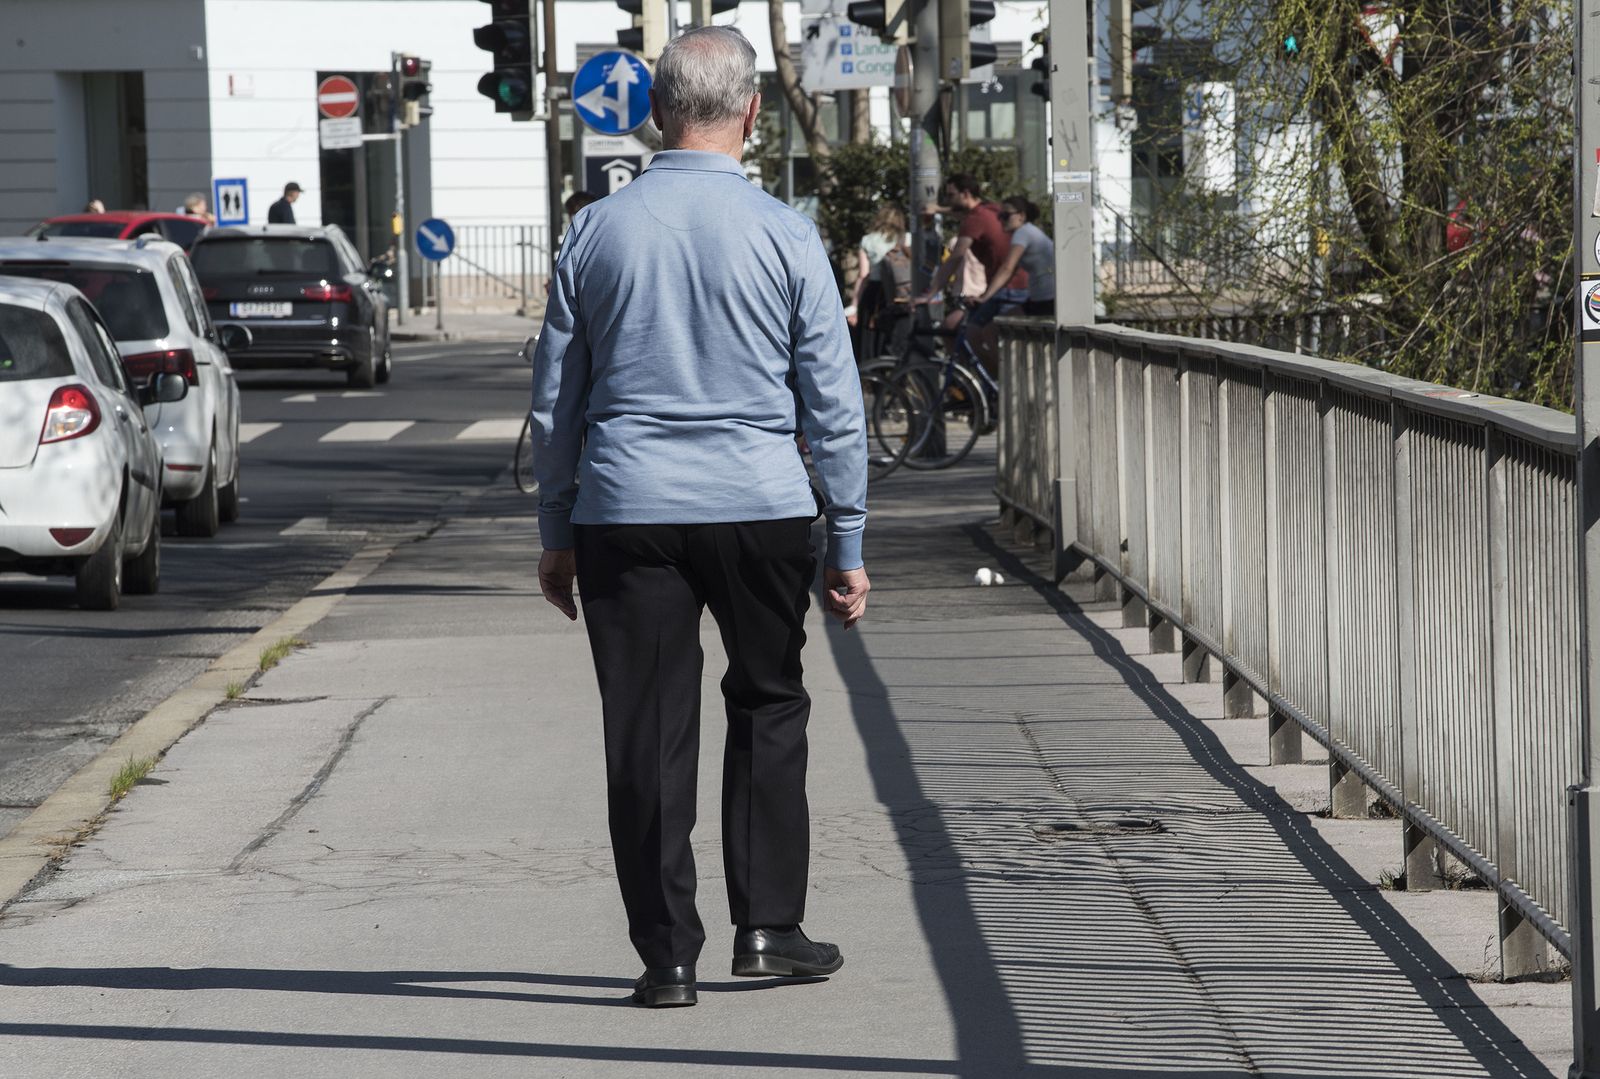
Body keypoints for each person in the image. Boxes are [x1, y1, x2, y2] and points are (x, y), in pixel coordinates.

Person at [528, 25, 869, 1010]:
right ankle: (767, 927)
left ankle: (666, 954)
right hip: (761, 504)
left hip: (626, 507)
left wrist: (558, 527)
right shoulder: (786, 234)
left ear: (652, 111)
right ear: (754, 114)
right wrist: (843, 541)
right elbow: (834, 407)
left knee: (645, 728)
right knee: (766, 700)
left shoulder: (596, 230)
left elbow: (556, 399)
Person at [917, 174, 1023, 369]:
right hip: (1007, 285)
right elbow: (959, 211)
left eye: (950, 195)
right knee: (969, 330)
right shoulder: (990, 209)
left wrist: (931, 293)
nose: (948, 200)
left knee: (978, 334)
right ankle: (988, 385)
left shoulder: (974, 220)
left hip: (1009, 287)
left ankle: (996, 386)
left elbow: (955, 259)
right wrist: (940, 210)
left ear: (965, 194)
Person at [975, 196, 1054, 320]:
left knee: (992, 328)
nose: (1001, 220)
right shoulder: (1030, 231)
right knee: (998, 326)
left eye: (1005, 216)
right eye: (999, 216)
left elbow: (1007, 268)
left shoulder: (1022, 233)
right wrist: (987, 294)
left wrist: (984, 298)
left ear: (1021, 216)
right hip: (1044, 297)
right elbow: (1011, 272)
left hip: (1045, 299)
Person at [846, 204, 905, 357]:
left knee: (870, 335)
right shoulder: (906, 239)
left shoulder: (867, 240)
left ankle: (871, 373)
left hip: (874, 292)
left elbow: (863, 274)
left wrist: (854, 306)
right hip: (899, 292)